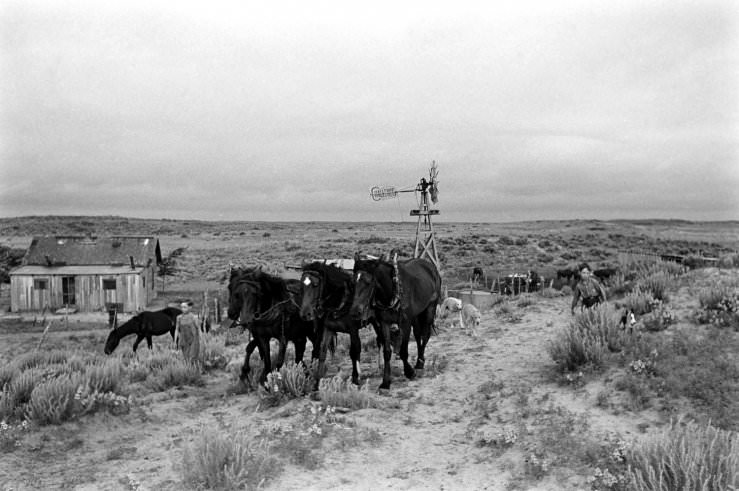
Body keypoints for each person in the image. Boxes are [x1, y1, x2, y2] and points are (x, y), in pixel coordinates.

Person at [174, 301, 202, 365]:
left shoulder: (194, 317)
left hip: (193, 340)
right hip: (183, 340)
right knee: (186, 358)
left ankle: (194, 372)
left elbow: (199, 329)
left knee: (192, 358)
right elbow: (176, 329)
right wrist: (175, 341)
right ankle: (188, 372)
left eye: (185, 307)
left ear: (189, 308)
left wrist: (202, 339)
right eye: (182, 307)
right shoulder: (179, 318)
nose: (183, 309)